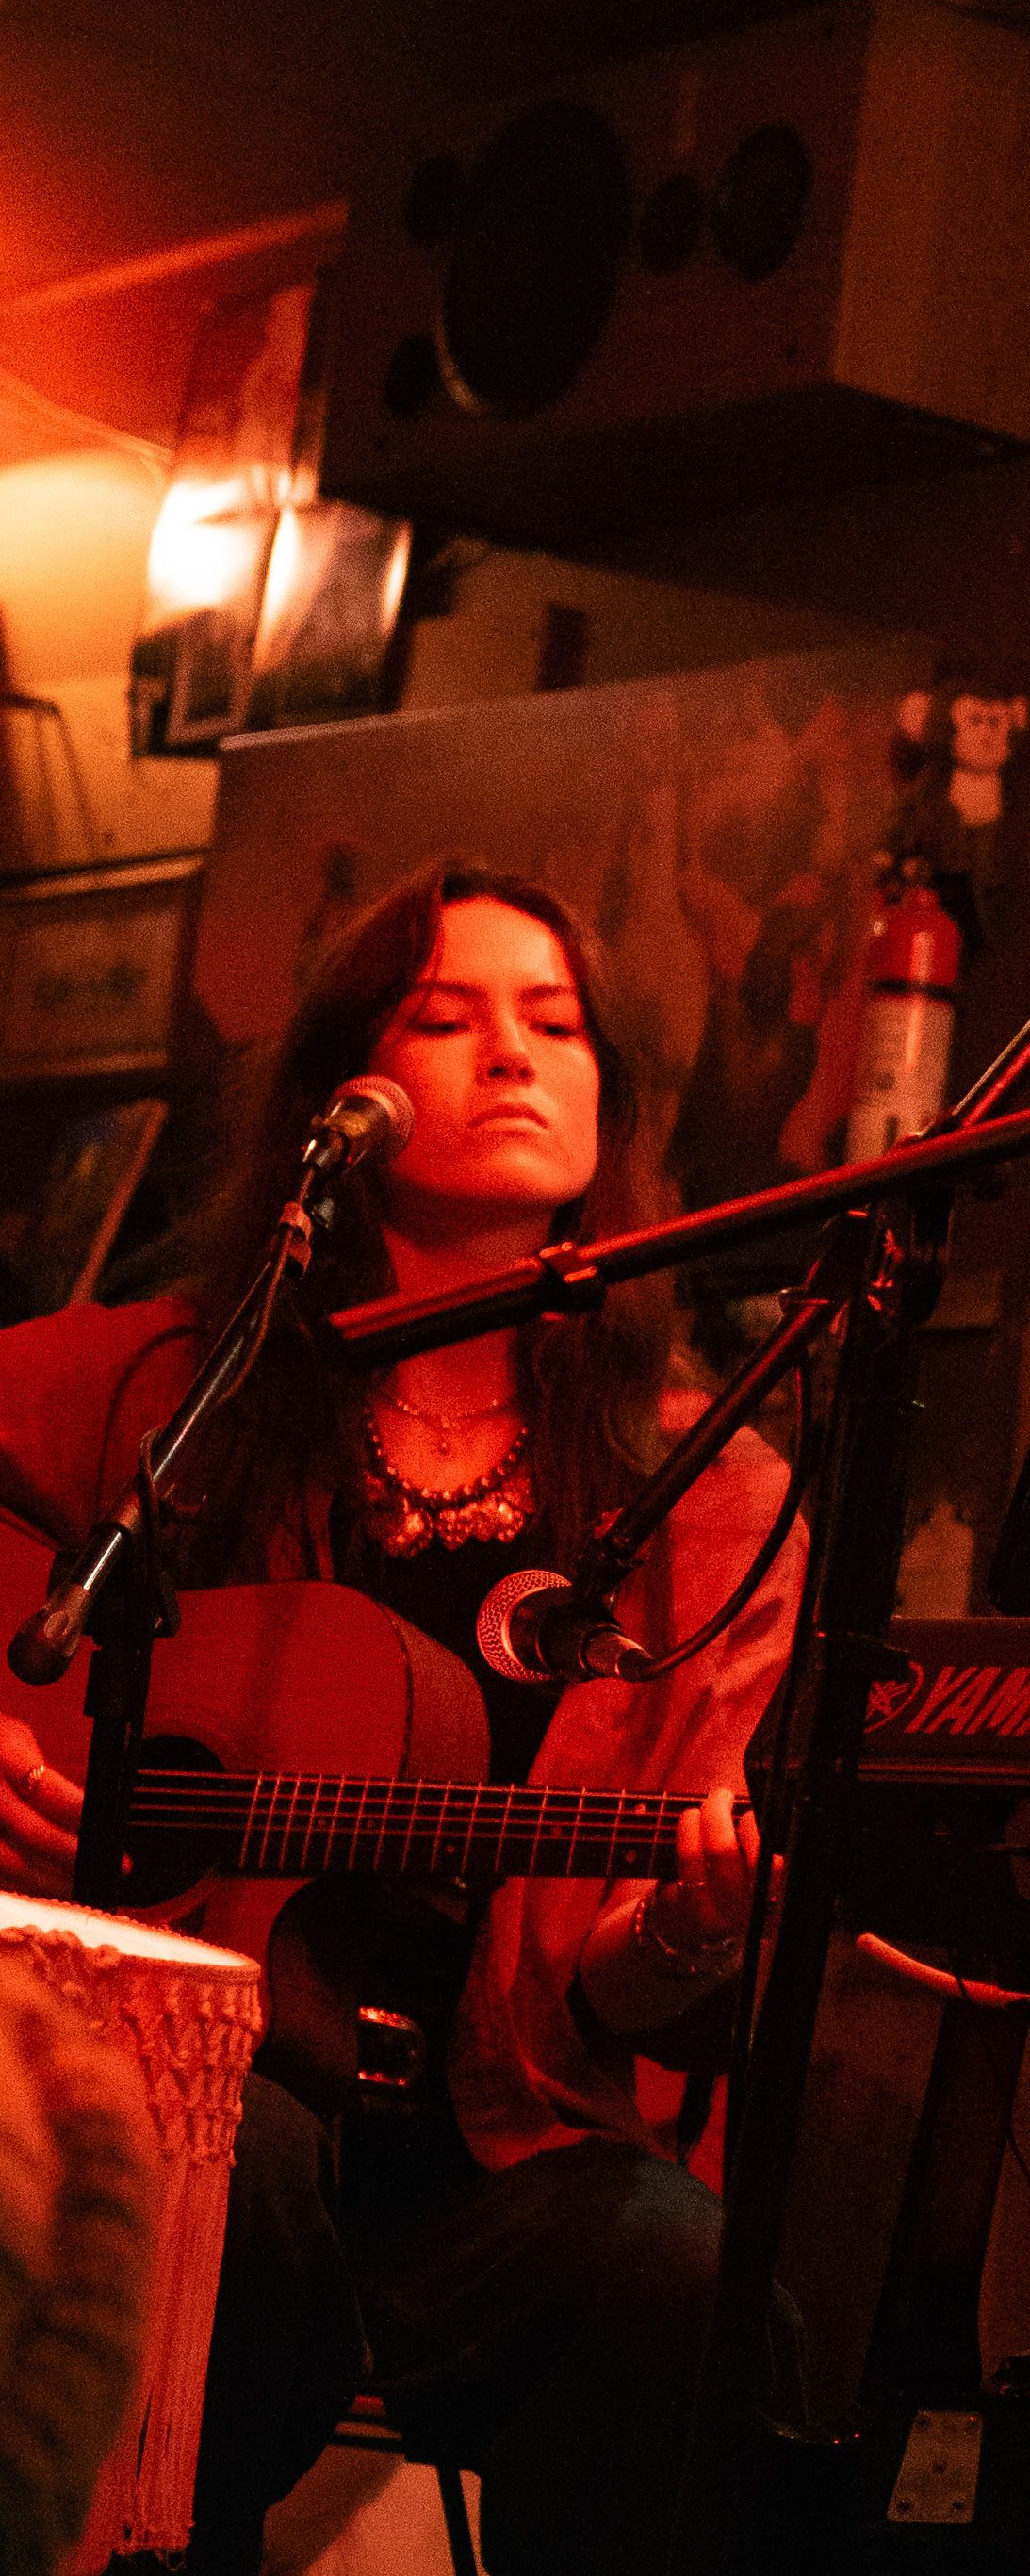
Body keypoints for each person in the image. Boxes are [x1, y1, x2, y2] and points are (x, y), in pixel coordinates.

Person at [0, 864, 794, 2576]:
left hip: (484, 2152)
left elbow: (622, 1982)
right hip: (195, 2109)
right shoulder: (171, 1388)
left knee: (674, 2266)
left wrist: (688, 1930)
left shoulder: (711, 1494)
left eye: (555, 1021)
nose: (511, 1053)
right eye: (443, 1018)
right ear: (333, 1110)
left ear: (608, 1099)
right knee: (239, 2157)